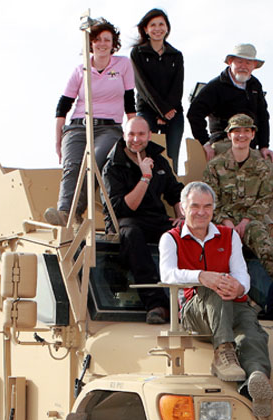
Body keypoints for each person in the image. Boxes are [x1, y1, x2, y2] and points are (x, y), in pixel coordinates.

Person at [158, 181, 272, 416]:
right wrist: (202, 277)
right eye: (195, 206)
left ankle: (255, 381)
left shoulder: (229, 236)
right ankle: (223, 351)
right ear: (183, 208)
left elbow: (242, 273)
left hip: (232, 304)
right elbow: (167, 274)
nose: (201, 212)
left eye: (207, 206)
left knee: (252, 334)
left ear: (213, 208)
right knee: (215, 286)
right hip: (195, 311)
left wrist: (239, 288)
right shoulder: (171, 238)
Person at [187, 43, 273, 221]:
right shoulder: (216, 86)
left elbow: (263, 117)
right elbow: (194, 113)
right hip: (224, 143)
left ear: (254, 66)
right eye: (239, 61)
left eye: (248, 62)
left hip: (249, 146)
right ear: (230, 62)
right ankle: (223, 221)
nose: (244, 66)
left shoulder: (255, 86)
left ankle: (264, 223)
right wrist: (205, 142)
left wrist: (264, 146)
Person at [48, 18, 134, 226]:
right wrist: (58, 139)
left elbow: (130, 102)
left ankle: (75, 211)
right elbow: (63, 106)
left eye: (107, 39)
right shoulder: (81, 70)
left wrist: (133, 131)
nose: (102, 43)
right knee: (72, 165)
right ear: (90, 43)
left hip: (109, 127)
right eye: (97, 40)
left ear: (113, 43)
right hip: (78, 126)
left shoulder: (123, 65)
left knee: (94, 161)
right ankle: (65, 213)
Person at [102, 116, 184, 324]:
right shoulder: (113, 166)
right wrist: (145, 177)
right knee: (132, 234)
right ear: (124, 135)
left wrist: (182, 217)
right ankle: (156, 304)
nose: (136, 139)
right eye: (131, 134)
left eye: (140, 134)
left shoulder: (159, 160)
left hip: (155, 219)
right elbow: (124, 207)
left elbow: (175, 192)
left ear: (149, 135)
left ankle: (190, 302)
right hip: (126, 221)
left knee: (186, 232)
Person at [204, 113, 273, 277]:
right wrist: (226, 221)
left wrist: (246, 221)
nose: (241, 135)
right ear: (229, 135)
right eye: (236, 131)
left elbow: (265, 199)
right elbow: (210, 200)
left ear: (253, 135)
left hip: (251, 222)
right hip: (220, 223)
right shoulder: (215, 166)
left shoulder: (262, 167)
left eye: (246, 131)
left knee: (268, 247)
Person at [130, 8, 185, 172]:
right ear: (146, 29)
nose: (157, 28)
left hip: (173, 111)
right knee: (148, 157)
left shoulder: (176, 55)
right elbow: (143, 87)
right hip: (147, 111)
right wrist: (161, 111)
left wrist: (168, 111)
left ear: (167, 28)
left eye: (161, 24)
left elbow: (178, 86)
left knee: (171, 157)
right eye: (152, 25)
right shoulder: (137, 53)